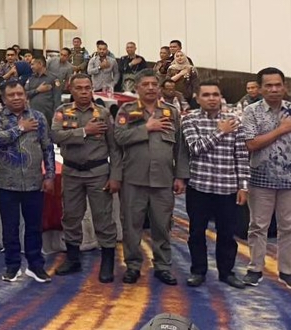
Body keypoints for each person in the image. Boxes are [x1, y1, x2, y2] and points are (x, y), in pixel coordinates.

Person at [114, 69, 189, 285]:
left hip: (163, 179)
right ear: (137, 88)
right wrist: (146, 128)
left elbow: (180, 147)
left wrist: (180, 176)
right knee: (131, 226)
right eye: (145, 84)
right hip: (133, 179)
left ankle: (163, 266)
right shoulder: (127, 110)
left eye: (154, 84)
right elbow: (118, 138)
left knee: (162, 225)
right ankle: (133, 266)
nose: (150, 88)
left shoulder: (171, 112)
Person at [50, 74, 122, 283]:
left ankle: (107, 262)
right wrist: (84, 131)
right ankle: (73, 258)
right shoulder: (63, 112)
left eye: (87, 88)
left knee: (103, 217)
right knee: (71, 216)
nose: (84, 92)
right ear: (71, 90)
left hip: (98, 172)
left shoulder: (103, 113)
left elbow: (114, 148)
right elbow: (55, 135)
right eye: (79, 88)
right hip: (71, 172)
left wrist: (115, 176)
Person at [182, 81, 249, 289]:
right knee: (196, 232)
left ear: (221, 97)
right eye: (206, 95)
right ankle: (198, 271)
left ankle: (226, 272)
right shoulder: (190, 119)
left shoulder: (234, 121)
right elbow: (195, 148)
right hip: (199, 187)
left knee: (227, 234)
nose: (212, 98)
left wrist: (243, 186)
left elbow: (241, 156)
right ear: (197, 98)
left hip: (227, 188)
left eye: (215, 94)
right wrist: (220, 132)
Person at [0, 81, 55, 283]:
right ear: (4, 98)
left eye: (20, 94)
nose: (16, 97)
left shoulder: (38, 117)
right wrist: (20, 128)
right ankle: (12, 266)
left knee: (34, 227)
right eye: (11, 95)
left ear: (26, 95)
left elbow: (47, 147)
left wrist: (50, 175)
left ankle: (35, 266)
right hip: (7, 183)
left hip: (34, 182)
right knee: (10, 228)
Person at [240, 67, 291, 288]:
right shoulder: (251, 111)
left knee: (288, 227)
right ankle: (255, 268)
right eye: (268, 85)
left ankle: (287, 270)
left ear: (285, 87)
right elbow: (251, 144)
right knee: (258, 226)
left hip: (289, 180)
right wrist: (282, 129)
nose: (274, 89)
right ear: (260, 89)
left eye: (278, 85)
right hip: (260, 178)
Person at [25, 58, 60, 124]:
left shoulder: (53, 78)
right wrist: (37, 90)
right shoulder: (31, 78)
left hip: (47, 114)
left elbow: (57, 98)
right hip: (32, 114)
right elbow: (25, 94)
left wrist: (56, 114)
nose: (31, 67)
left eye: (32, 64)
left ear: (40, 64)